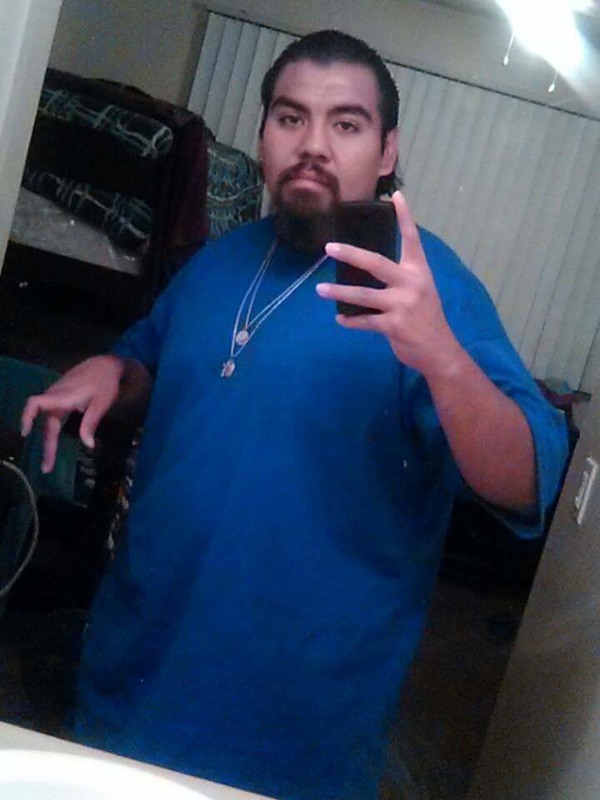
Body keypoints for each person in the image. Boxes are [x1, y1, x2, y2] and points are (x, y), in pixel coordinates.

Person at [21, 29, 568, 800]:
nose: (313, 144)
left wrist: (442, 356)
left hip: (287, 726)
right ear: (264, 134)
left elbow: (531, 483)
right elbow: (153, 357)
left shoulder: (427, 289)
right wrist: (113, 370)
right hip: (135, 661)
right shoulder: (218, 259)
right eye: (290, 117)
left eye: (346, 124)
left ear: (387, 151)